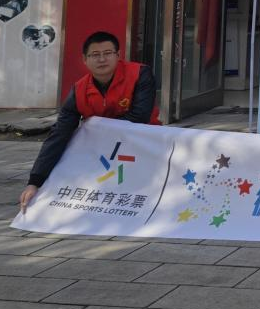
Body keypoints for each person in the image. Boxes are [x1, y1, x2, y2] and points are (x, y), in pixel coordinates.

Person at [19, 31, 159, 212]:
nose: (102, 59)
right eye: (95, 55)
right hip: (102, 151)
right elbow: (59, 134)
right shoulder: (79, 89)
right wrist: (34, 182)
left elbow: (139, 118)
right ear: (84, 60)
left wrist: (96, 127)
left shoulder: (140, 74)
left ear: (118, 55)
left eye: (107, 53)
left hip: (141, 145)